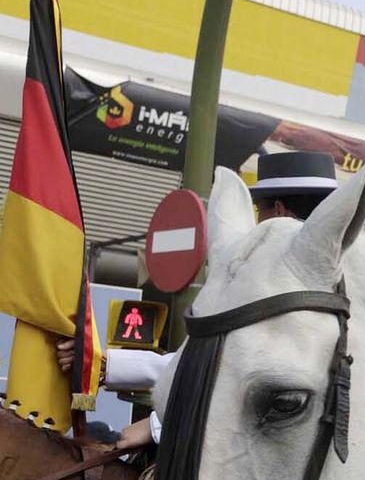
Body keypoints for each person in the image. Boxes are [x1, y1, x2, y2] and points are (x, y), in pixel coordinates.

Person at [55, 151, 343, 450]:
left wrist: (158, 426)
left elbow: (239, 378)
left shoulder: (279, 287)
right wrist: (104, 364)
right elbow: (208, 360)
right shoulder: (329, 285)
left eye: (259, 212)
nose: (256, 222)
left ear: (279, 213)